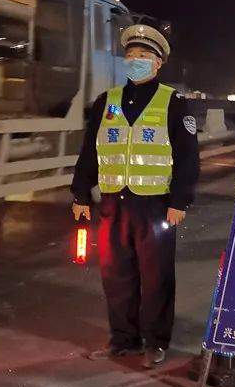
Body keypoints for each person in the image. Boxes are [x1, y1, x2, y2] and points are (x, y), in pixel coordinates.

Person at [71, 24, 199, 368]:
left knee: (156, 277)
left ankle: (155, 341)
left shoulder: (173, 103)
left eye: (144, 56)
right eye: (131, 55)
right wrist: (81, 194)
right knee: (116, 275)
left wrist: (180, 201)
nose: (136, 60)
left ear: (158, 63)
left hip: (155, 204)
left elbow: (187, 156)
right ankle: (123, 340)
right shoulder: (107, 102)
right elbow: (91, 151)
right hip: (114, 203)